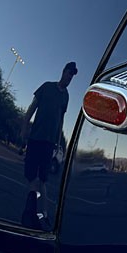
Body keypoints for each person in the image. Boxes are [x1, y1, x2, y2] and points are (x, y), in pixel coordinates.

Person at [21, 61, 77, 227]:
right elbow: (32, 107)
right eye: (69, 73)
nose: (69, 78)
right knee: (31, 175)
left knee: (43, 178)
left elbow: (61, 119)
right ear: (63, 71)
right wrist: (24, 126)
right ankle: (32, 211)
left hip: (49, 142)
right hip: (35, 138)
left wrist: (58, 141)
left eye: (72, 76)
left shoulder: (65, 96)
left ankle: (42, 214)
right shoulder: (46, 87)